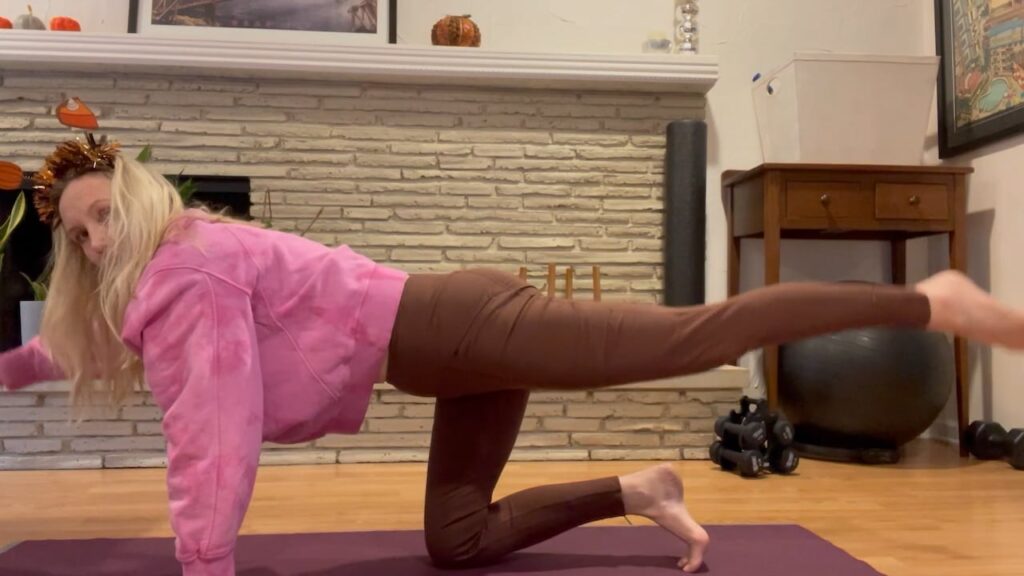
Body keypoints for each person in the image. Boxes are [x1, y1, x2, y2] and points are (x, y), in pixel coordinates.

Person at [1, 136, 1022, 576]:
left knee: (686, 334)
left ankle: (927, 297)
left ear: (137, 201)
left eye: (102, 217)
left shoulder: (192, 265)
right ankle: (638, 486)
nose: (93, 242)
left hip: (460, 325)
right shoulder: (165, 286)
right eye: (79, 236)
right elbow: (76, 351)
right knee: (457, 543)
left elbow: (210, 440)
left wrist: (204, 564)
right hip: (445, 357)